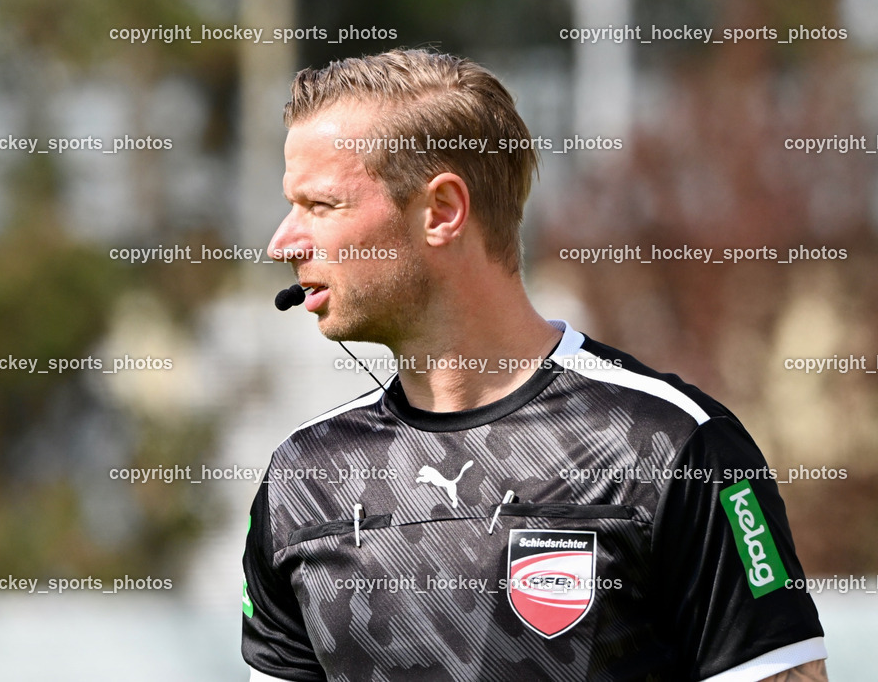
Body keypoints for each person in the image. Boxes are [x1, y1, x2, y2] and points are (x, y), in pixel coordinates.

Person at [241, 48, 827, 681]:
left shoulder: (673, 447)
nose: (283, 242)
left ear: (441, 211)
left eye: (321, 206)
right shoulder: (302, 479)